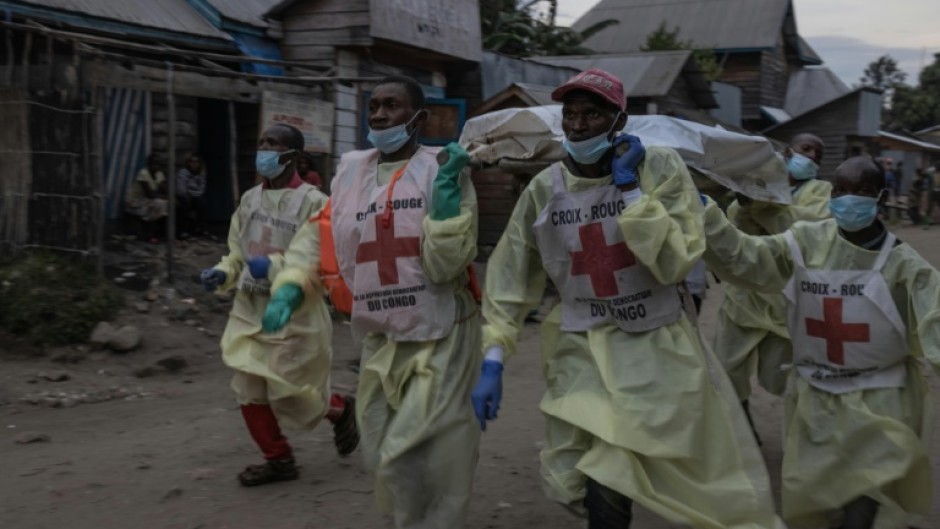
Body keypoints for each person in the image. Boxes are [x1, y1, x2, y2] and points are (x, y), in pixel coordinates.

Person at [471, 68, 783, 529]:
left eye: (592, 114)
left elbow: (674, 260)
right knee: (581, 471)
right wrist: (494, 356)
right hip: (581, 348)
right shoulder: (544, 190)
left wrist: (632, 192)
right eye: (570, 114)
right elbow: (512, 274)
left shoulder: (658, 169)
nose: (577, 125)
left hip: (654, 347)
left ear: (619, 121)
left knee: (633, 470)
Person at [263, 76, 481, 529]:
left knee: (422, 449)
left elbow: (446, 266)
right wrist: (290, 283)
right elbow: (318, 236)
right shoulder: (351, 173)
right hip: (380, 338)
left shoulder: (442, 168)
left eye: (392, 106)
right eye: (374, 106)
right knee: (382, 451)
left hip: (440, 335)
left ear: (418, 118)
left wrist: (442, 208)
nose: (379, 115)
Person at [700, 156, 940, 529]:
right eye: (840, 190)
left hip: (881, 397)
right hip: (815, 398)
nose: (849, 200)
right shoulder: (804, 242)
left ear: (881, 196)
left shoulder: (904, 264)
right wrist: (704, 214)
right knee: (817, 503)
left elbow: (935, 322)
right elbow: (746, 257)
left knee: (865, 496)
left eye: (861, 191)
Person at [198, 123, 358, 487]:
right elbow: (236, 253)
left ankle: (339, 409)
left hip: (296, 317)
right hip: (249, 311)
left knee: (293, 393)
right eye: (262, 142)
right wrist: (223, 273)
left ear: (294, 156)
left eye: (273, 143)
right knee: (249, 390)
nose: (264, 149)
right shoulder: (250, 200)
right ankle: (279, 459)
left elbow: (319, 262)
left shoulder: (315, 204)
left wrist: (273, 266)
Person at [711, 133, 832, 438]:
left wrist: (764, 206)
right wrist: (746, 203)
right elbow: (733, 231)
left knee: (782, 372)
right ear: (789, 151)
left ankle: (809, 433)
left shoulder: (819, 191)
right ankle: (741, 424)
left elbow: (808, 229)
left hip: (785, 296)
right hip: (744, 295)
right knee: (727, 364)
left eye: (818, 154)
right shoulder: (757, 183)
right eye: (807, 148)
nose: (812, 157)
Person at [124, 154, 168, 242]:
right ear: (149, 164)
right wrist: (163, 196)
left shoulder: (159, 174)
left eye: (158, 164)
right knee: (158, 204)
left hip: (146, 200)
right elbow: (149, 194)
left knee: (163, 204)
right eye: (154, 164)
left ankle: (156, 234)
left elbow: (163, 189)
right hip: (135, 200)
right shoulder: (143, 173)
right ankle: (149, 234)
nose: (156, 166)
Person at [175, 152, 207, 239]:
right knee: (184, 204)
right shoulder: (183, 173)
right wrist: (190, 194)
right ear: (188, 163)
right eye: (192, 162)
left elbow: (201, 189)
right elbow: (181, 189)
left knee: (202, 203)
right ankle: (183, 231)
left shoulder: (200, 174)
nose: (194, 164)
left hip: (195, 196)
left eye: (196, 162)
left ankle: (200, 229)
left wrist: (194, 194)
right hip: (184, 196)